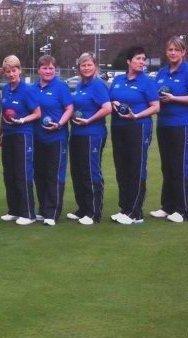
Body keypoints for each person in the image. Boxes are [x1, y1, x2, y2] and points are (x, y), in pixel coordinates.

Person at [150, 36, 188, 223]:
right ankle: (168, 207)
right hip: (164, 125)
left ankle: (183, 210)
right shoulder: (162, 73)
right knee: (168, 167)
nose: (172, 53)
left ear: (183, 52)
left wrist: (173, 98)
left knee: (180, 167)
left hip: (184, 126)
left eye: (176, 50)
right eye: (170, 50)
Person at [108, 46, 160, 225]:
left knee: (136, 168)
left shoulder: (147, 82)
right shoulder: (117, 80)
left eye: (143, 59)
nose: (141, 62)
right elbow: (109, 100)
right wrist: (113, 102)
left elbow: (155, 106)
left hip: (138, 127)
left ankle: (134, 212)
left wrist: (136, 115)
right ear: (128, 61)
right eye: (138, 58)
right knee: (121, 169)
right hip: (118, 127)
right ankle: (125, 208)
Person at [66, 52, 112, 225]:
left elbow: (107, 108)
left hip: (93, 134)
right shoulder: (80, 85)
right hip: (77, 134)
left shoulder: (98, 85)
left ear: (95, 66)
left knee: (90, 171)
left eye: (89, 65)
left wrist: (89, 120)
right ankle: (83, 209)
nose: (86, 68)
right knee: (78, 171)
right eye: (83, 65)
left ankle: (94, 212)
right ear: (79, 68)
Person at [0, 55, 41, 225]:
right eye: (8, 71)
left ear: (20, 70)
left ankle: (28, 213)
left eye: (14, 70)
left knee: (22, 173)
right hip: (8, 135)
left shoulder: (27, 90)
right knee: (9, 173)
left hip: (23, 135)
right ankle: (14, 210)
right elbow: (3, 113)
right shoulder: (6, 89)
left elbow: (37, 113)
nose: (11, 74)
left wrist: (22, 120)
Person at [31, 55, 73, 226]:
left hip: (56, 137)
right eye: (44, 68)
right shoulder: (33, 88)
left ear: (55, 70)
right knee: (39, 174)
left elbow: (69, 108)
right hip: (37, 137)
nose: (48, 71)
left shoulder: (61, 86)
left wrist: (59, 124)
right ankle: (42, 209)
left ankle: (52, 212)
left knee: (54, 174)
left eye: (51, 68)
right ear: (38, 70)